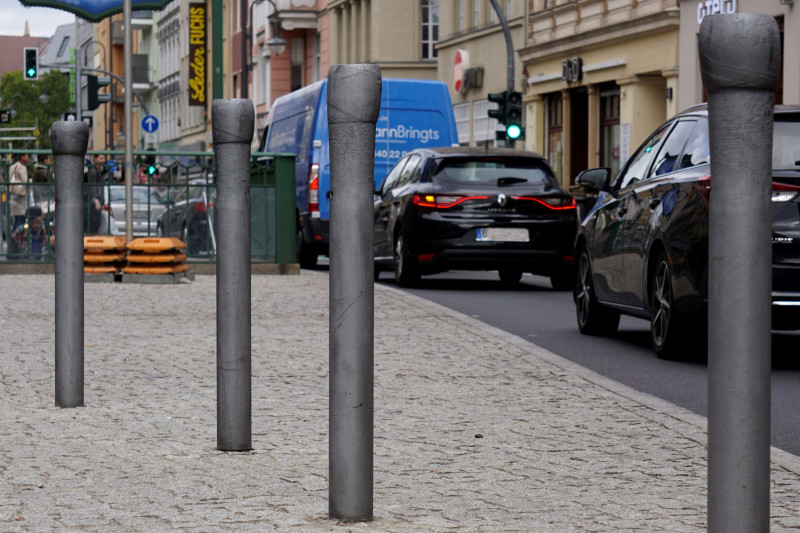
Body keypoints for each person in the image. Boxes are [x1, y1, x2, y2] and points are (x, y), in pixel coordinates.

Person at [7, 153, 30, 257]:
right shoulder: (21, 167)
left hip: (13, 197)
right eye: (27, 156)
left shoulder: (12, 166)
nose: (28, 157)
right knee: (20, 224)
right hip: (21, 199)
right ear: (22, 156)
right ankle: (16, 248)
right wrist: (31, 180)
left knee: (16, 223)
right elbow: (26, 181)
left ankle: (12, 248)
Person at [84, 154, 106, 235]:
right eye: (101, 158)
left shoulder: (99, 171)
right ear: (95, 159)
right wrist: (95, 200)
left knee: (95, 226)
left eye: (104, 158)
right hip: (93, 204)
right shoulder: (93, 171)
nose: (103, 160)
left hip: (96, 203)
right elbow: (92, 187)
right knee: (93, 226)